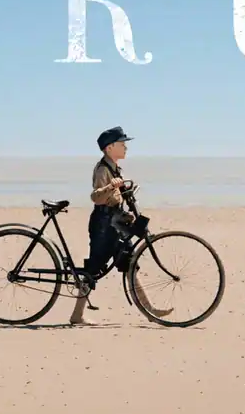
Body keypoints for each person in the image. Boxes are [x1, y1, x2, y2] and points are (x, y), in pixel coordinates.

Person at [69, 126, 173, 325]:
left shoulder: (115, 168)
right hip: (103, 225)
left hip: (115, 223)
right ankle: (77, 315)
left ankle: (149, 311)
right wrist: (112, 186)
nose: (126, 147)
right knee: (94, 269)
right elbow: (96, 197)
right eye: (122, 144)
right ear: (109, 148)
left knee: (129, 263)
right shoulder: (102, 169)